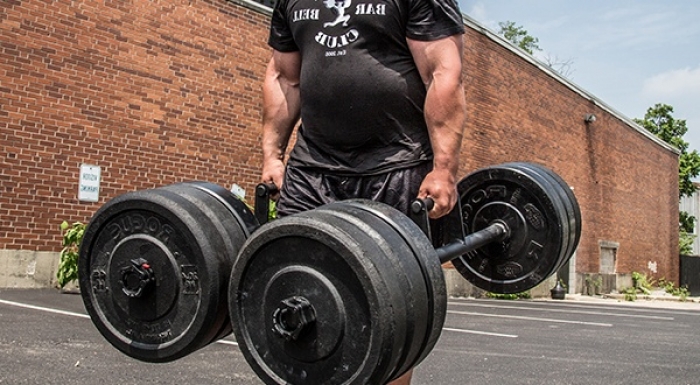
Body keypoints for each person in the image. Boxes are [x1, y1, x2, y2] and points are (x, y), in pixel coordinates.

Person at [260, 0, 466, 382]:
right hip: (312, 168)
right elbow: (283, 78)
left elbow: (443, 71)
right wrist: (273, 156)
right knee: (289, 288)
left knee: (392, 311)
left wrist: (443, 168)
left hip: (395, 164)